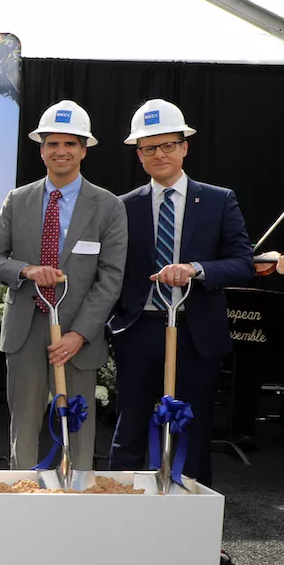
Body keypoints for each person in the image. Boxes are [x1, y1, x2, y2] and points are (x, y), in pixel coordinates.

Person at [107, 98, 253, 487]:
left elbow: (244, 262)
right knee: (131, 426)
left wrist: (196, 270)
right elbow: (111, 272)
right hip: (139, 330)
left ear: (185, 146)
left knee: (192, 428)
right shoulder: (123, 207)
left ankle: (192, 531)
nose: (159, 154)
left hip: (196, 333)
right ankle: (116, 525)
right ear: (138, 155)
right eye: (149, 147)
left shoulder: (220, 200)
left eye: (168, 144)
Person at [0, 100, 128, 471]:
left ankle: (76, 506)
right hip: (25, 329)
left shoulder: (108, 206)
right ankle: (23, 501)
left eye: (70, 144)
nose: (60, 151)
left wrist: (79, 334)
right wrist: (26, 270)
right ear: (41, 149)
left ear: (84, 149)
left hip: (79, 334)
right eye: (52, 143)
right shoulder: (18, 200)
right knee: (24, 425)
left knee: (78, 425)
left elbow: (111, 278)